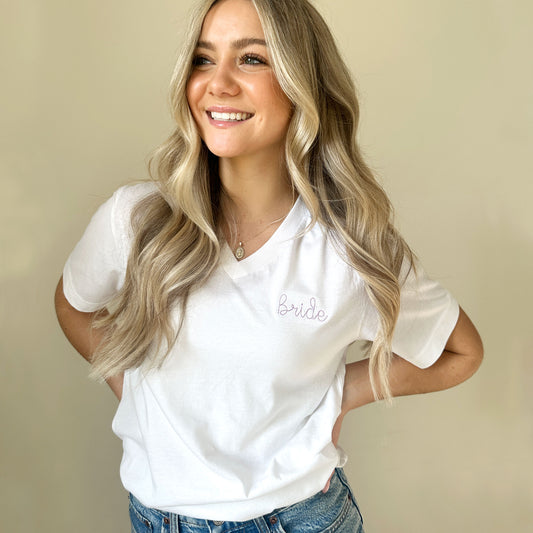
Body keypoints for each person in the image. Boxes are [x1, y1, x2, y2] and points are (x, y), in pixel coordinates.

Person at [54, 0, 483, 531]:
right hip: (156, 519)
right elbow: (74, 304)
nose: (219, 83)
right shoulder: (136, 220)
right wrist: (131, 387)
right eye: (203, 60)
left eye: (252, 59)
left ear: (304, 84)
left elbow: (461, 352)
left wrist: (348, 391)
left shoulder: (349, 248)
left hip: (300, 518)